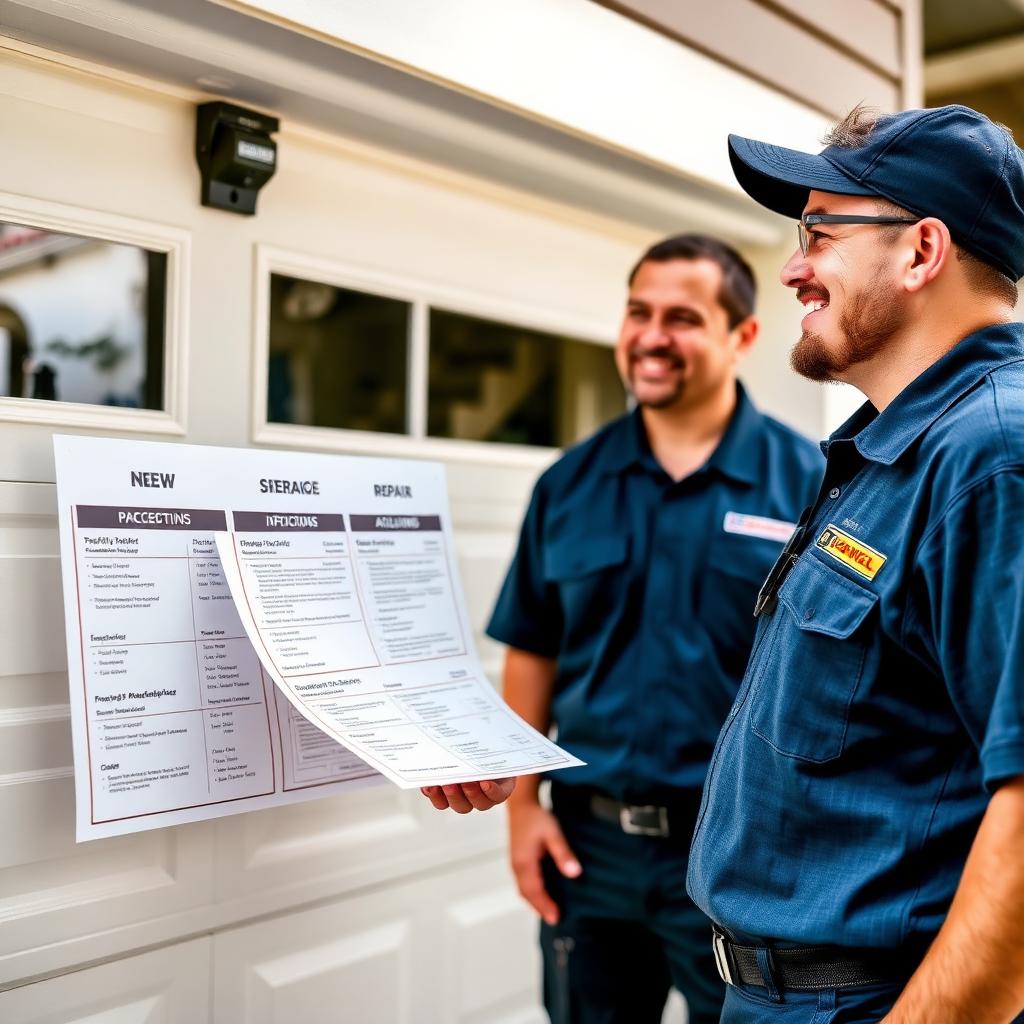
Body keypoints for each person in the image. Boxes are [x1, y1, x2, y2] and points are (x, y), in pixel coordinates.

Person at [423, 234, 824, 1023]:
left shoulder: (810, 484)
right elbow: (532, 647)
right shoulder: (567, 484)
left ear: (742, 336)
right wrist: (522, 810)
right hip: (591, 853)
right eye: (638, 311)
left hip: (743, 852)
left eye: (682, 317)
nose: (650, 335)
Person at [681, 104, 1024, 1023]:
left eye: (822, 233)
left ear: (922, 252)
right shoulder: (887, 455)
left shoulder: (994, 457)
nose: (793, 267)